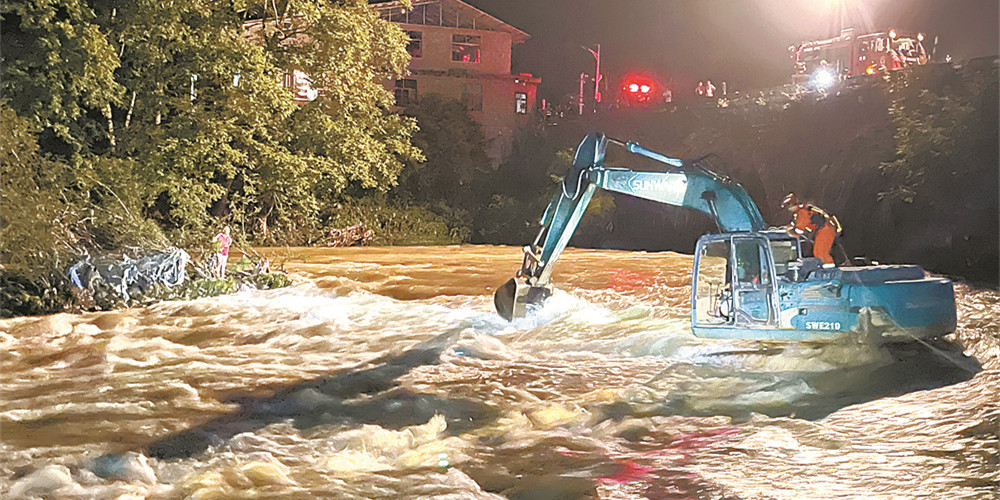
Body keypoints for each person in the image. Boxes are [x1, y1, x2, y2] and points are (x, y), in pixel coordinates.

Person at [781, 193, 842, 266]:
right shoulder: (802, 210)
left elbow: (800, 228)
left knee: (821, 252)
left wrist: (792, 233)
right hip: (825, 229)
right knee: (818, 251)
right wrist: (788, 227)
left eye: (789, 208)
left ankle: (828, 271)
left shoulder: (802, 212)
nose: (789, 210)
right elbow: (796, 223)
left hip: (825, 230)